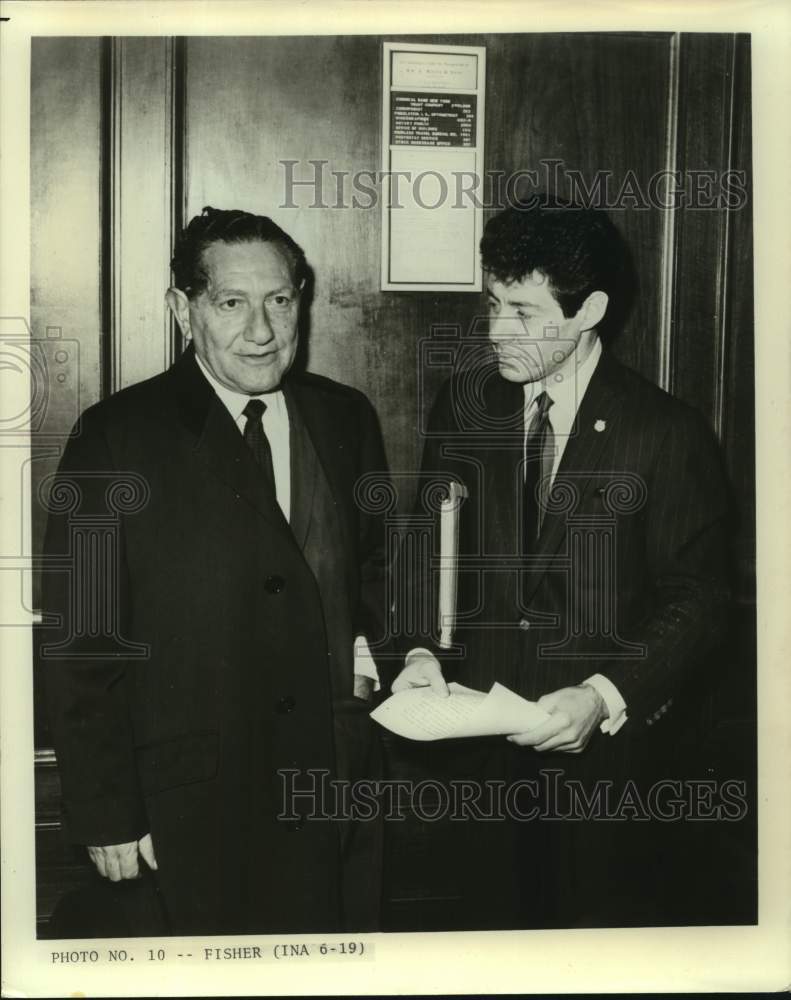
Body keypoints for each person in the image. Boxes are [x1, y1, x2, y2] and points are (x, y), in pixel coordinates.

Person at [39, 207, 389, 936]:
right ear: (182, 310)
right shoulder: (116, 437)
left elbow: (375, 576)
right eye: (232, 303)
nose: (260, 330)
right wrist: (107, 812)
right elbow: (82, 645)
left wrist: (382, 665)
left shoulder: (344, 419)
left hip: (331, 793)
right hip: (188, 810)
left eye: (280, 300)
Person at [390, 199, 732, 928]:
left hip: (608, 774)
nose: (495, 331)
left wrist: (605, 693)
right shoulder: (465, 401)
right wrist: (422, 646)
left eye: (521, 311)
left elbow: (698, 599)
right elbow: (428, 539)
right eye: (492, 304)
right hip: (477, 759)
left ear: (589, 311)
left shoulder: (665, 432)